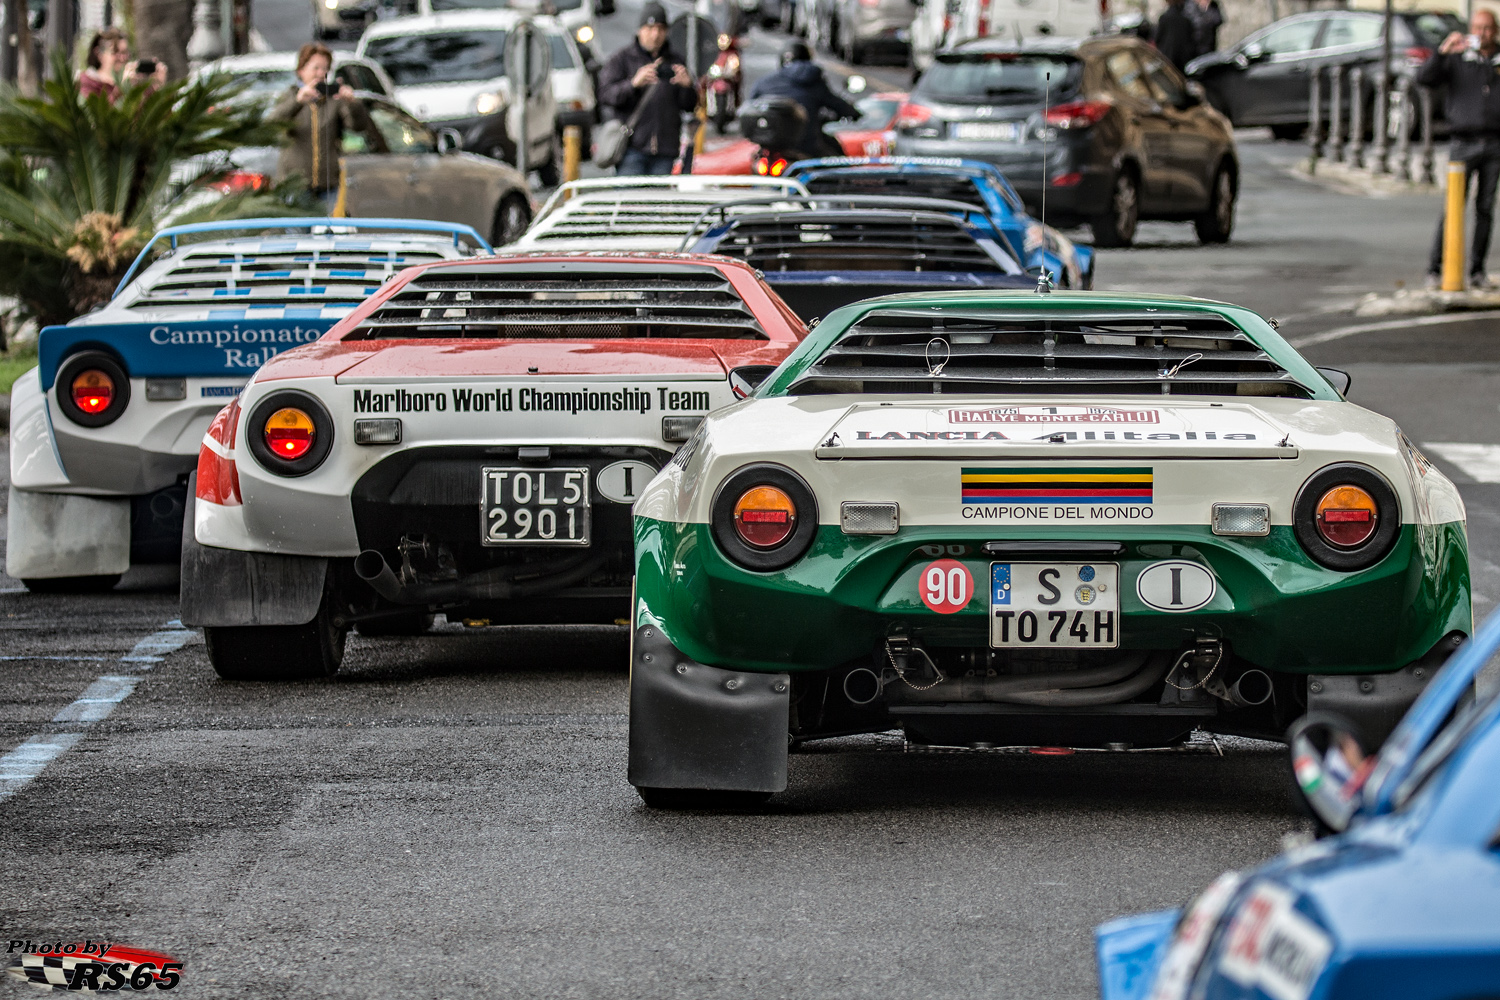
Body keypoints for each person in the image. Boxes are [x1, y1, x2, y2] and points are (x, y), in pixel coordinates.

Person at [1421, 9, 1500, 289]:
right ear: (1470, 29)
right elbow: (1425, 79)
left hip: (1493, 143)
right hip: (1462, 142)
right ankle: (1435, 269)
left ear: (1496, 31)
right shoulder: (1456, 56)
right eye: (1478, 28)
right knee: (1453, 208)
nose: (1483, 34)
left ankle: (1477, 271)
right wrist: (1443, 52)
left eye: (1488, 28)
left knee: (1485, 209)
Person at [267, 43, 387, 210]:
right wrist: (298, 102)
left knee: (326, 232)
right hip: (295, 184)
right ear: (301, 70)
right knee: (297, 233)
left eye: (325, 69)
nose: (320, 74)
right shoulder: (289, 97)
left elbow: (357, 126)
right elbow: (272, 124)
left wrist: (352, 103)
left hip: (327, 185)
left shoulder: (332, 101)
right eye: (315, 68)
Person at [597, 2, 699, 176]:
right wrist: (633, 84)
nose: (655, 35)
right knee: (629, 201)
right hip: (632, 148)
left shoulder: (675, 61)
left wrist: (687, 86)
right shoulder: (622, 59)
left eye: (660, 29)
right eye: (650, 28)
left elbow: (689, 106)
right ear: (640, 30)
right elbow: (606, 95)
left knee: (658, 202)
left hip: (665, 151)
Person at [747, 41, 858, 159]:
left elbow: (750, 106)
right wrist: (854, 113)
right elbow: (837, 104)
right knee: (838, 162)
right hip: (807, 147)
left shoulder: (763, 82)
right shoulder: (813, 81)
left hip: (769, 148)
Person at [79, 28, 167, 103]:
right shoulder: (87, 82)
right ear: (99, 54)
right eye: (115, 52)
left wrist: (156, 87)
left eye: (125, 52)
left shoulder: (134, 81)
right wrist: (121, 90)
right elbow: (95, 116)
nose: (122, 58)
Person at [1152, 0, 1198, 74]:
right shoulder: (1186, 20)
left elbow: (1158, 38)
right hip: (1183, 60)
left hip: (1168, 57)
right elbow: (1192, 40)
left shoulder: (1164, 18)